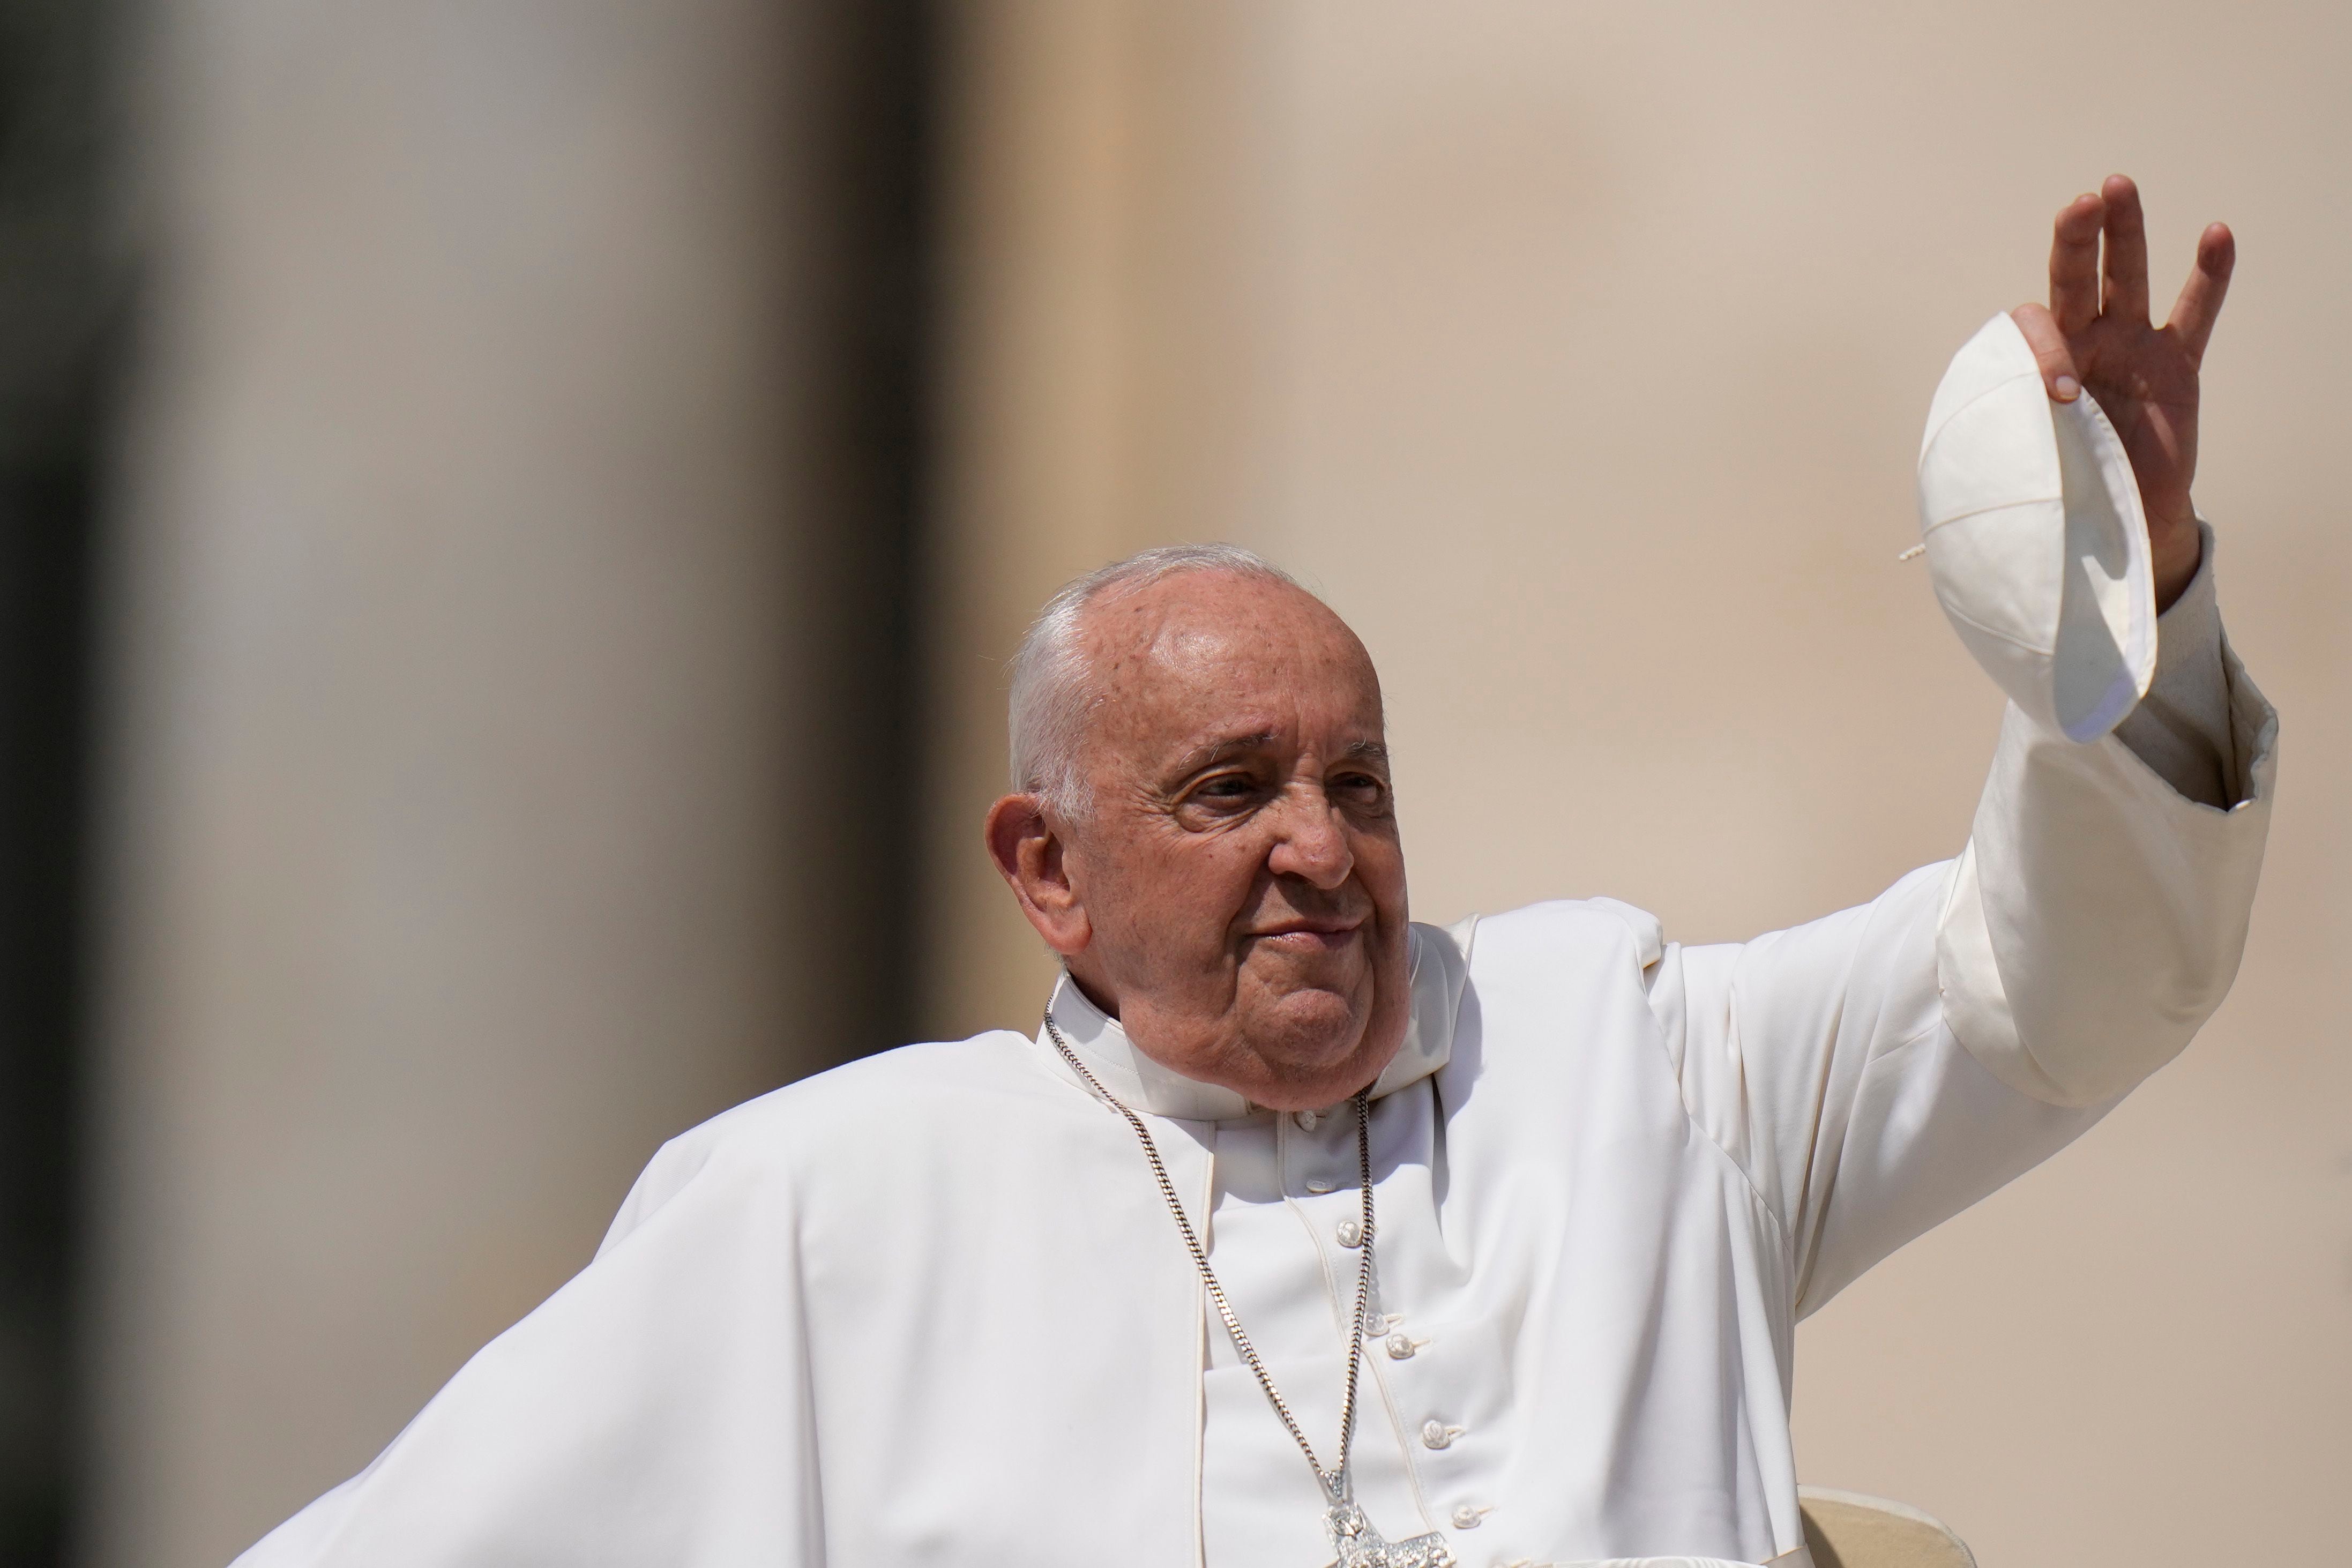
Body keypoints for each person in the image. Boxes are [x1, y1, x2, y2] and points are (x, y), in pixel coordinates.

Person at [235, 176, 2274, 1568]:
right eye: (1231, 793)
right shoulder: (830, 1206)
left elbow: (2055, 993)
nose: (1323, 849)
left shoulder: (1637, 1053)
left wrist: (2137, 597)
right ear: (1050, 869)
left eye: (1359, 781)